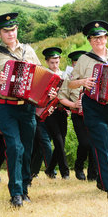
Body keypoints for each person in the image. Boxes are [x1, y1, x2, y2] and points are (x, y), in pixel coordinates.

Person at [0, 13, 40, 208]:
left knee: (27, 150)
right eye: (6, 31)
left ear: (17, 30)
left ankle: (24, 188)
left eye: (13, 29)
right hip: (6, 107)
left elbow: (39, 75)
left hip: (28, 107)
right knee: (14, 147)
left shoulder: (29, 51)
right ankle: (16, 193)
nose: (10, 34)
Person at [67, 20, 108, 200]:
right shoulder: (84, 59)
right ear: (89, 40)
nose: (98, 41)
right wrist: (82, 82)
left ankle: (103, 180)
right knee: (102, 146)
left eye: (101, 37)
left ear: (107, 38)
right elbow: (70, 83)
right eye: (94, 38)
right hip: (93, 107)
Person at [57, 50, 98, 181]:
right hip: (77, 115)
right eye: (76, 64)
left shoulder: (94, 76)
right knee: (85, 143)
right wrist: (74, 104)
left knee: (94, 144)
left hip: (93, 114)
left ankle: (93, 174)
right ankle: (79, 166)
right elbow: (61, 98)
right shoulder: (69, 79)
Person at [41, 46, 70, 179]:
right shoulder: (43, 75)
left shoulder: (65, 74)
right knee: (58, 140)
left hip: (62, 110)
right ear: (47, 62)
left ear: (60, 60)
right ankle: (65, 172)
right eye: (52, 62)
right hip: (49, 111)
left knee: (61, 141)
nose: (54, 65)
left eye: (56, 62)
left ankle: (50, 168)